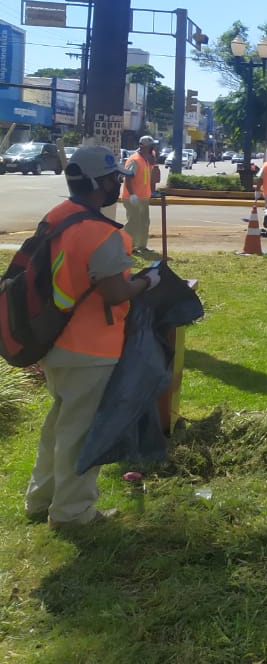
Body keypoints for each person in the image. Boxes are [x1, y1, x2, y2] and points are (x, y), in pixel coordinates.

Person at [25, 145, 161, 529]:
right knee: (80, 435)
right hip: (90, 348)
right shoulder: (100, 233)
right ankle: (72, 513)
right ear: (97, 183)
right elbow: (116, 292)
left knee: (57, 428)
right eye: (113, 179)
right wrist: (145, 281)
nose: (118, 184)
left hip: (55, 341)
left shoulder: (60, 216)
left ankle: (41, 499)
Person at [120, 136, 158, 255]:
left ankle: (142, 246)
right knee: (133, 223)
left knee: (144, 222)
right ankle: (127, 247)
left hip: (143, 197)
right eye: (150, 146)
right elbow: (128, 178)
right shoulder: (135, 160)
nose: (153, 148)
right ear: (143, 146)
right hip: (133, 198)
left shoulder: (146, 159)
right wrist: (132, 195)